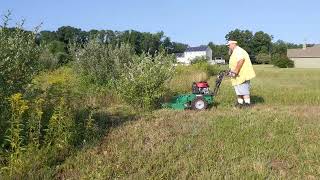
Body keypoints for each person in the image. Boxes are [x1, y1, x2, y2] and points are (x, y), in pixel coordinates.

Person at [226, 40, 256, 107]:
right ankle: (240, 103)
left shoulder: (239, 51)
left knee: (244, 90)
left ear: (234, 44)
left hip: (242, 74)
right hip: (237, 76)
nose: (228, 46)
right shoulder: (235, 51)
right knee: (239, 90)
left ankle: (247, 104)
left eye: (229, 45)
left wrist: (236, 71)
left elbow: (241, 60)